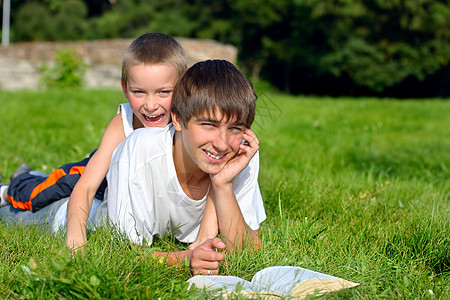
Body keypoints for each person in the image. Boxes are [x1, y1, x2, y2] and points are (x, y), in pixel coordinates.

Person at [87, 60, 266, 275]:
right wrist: (184, 259)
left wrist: (222, 184)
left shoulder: (239, 155)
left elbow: (248, 252)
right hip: (94, 204)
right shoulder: (140, 150)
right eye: (209, 125)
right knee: (44, 198)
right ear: (178, 120)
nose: (222, 144)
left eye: (235, 128)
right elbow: (122, 253)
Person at [0, 33, 186, 226]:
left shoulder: (188, 123)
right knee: (45, 191)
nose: (150, 105)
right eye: (139, 92)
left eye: (163, 92)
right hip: (93, 175)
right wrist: (76, 241)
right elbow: (87, 186)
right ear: (125, 88)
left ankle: (34, 176)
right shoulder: (124, 122)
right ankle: (8, 190)